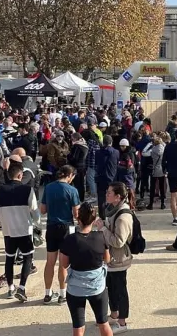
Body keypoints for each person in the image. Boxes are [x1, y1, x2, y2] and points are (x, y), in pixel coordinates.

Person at [60, 202, 112, 336]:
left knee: (78, 327)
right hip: (97, 287)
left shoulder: (70, 239)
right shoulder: (101, 237)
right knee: (103, 323)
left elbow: (64, 264)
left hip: (76, 288)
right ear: (94, 220)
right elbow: (107, 259)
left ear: (78, 219)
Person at [0, 161, 39, 302]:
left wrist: (4, 217)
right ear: (20, 175)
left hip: (8, 231)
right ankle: (22, 288)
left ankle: (11, 288)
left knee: (9, 259)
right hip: (24, 230)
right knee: (28, 258)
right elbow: (35, 214)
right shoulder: (28, 190)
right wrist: (36, 225)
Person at [95, 182, 134, 334]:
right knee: (110, 287)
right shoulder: (112, 210)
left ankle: (122, 322)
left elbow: (119, 241)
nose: (106, 194)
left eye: (110, 192)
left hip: (119, 260)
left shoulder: (123, 216)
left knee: (120, 290)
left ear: (118, 197)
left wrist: (103, 228)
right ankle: (114, 314)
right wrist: (103, 223)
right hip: (112, 259)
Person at [40, 165, 80, 305]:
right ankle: (63, 293)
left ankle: (47, 293)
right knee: (64, 263)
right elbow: (76, 213)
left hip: (51, 226)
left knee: (50, 261)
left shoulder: (49, 187)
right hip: (67, 227)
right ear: (69, 175)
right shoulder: (72, 190)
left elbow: (43, 210)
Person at [95, 136, 119, 220]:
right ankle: (111, 214)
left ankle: (102, 216)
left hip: (101, 177)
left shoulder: (98, 152)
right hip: (112, 178)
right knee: (112, 196)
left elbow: (96, 163)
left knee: (101, 198)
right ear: (111, 142)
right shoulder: (116, 152)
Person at [148, 135, 167, 211]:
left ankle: (151, 204)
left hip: (154, 169)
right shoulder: (164, 149)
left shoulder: (153, 150)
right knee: (162, 187)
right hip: (161, 169)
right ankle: (162, 204)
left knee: (152, 187)